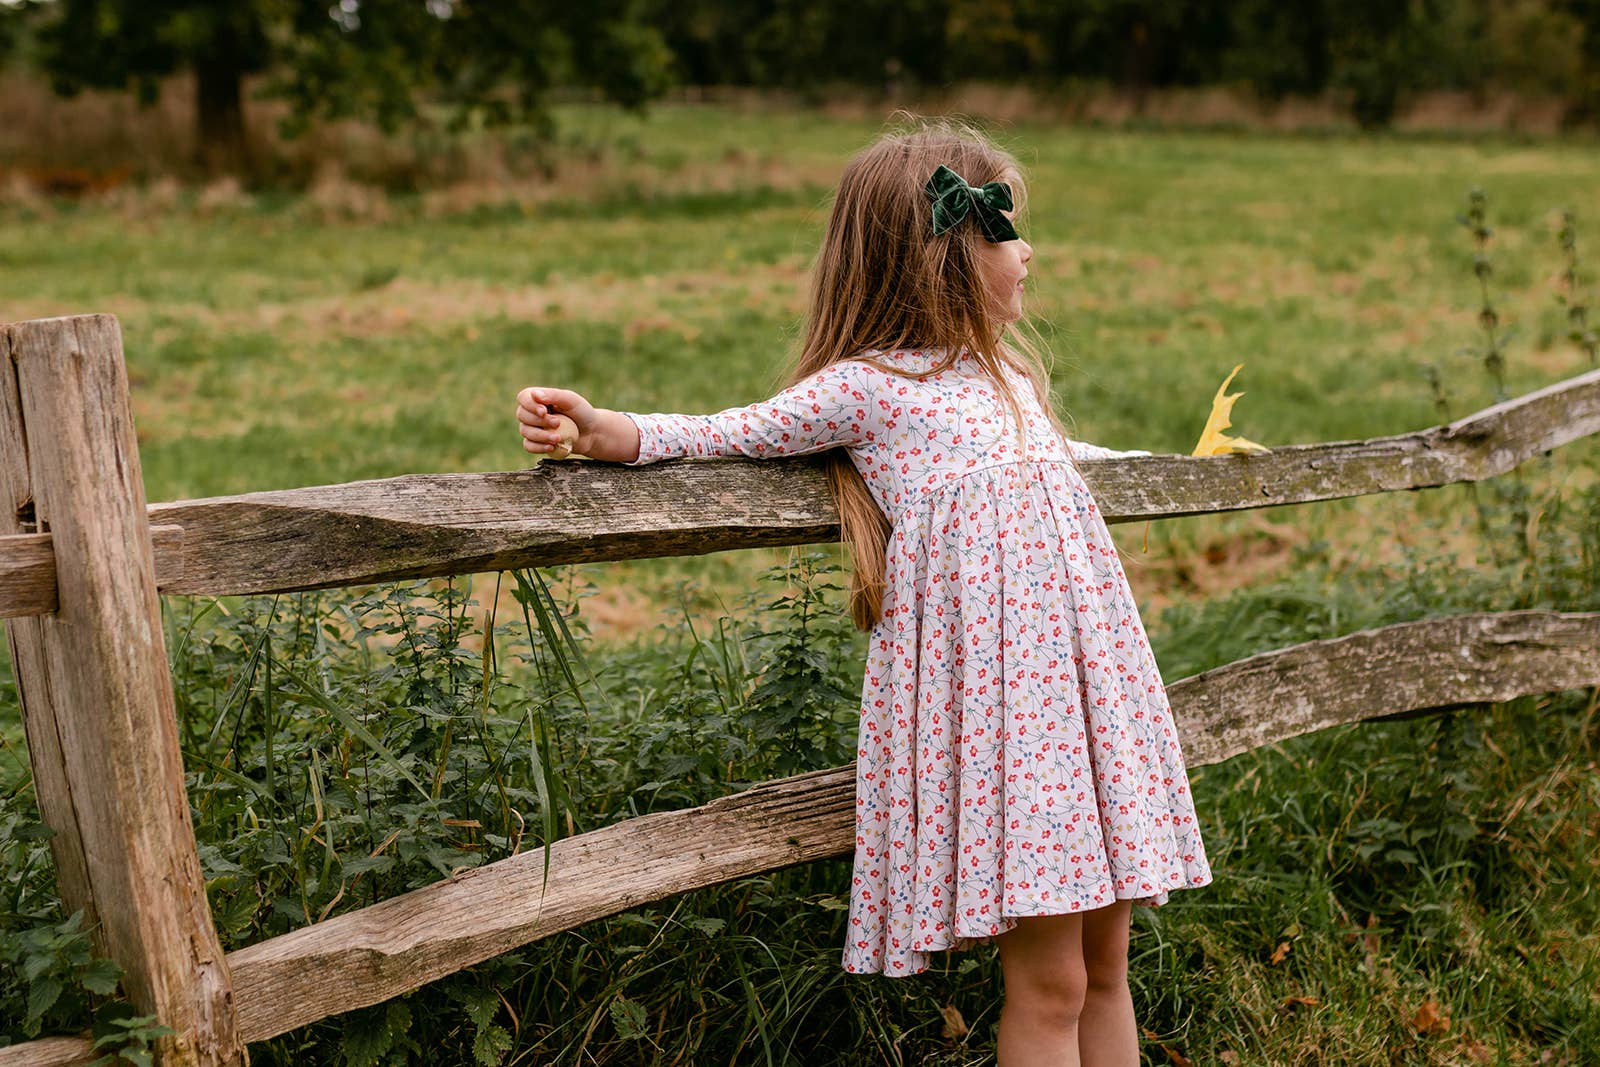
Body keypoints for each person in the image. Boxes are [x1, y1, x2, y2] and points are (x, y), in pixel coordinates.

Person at [514, 121, 1212, 1067]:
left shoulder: (1006, 376)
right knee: (1050, 982)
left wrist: (1185, 468)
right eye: (1006, 232)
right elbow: (729, 431)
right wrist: (606, 429)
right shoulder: (867, 389)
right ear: (944, 260)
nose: (1028, 250)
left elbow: (1067, 466)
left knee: (1106, 965)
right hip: (1009, 725)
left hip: (1085, 707)